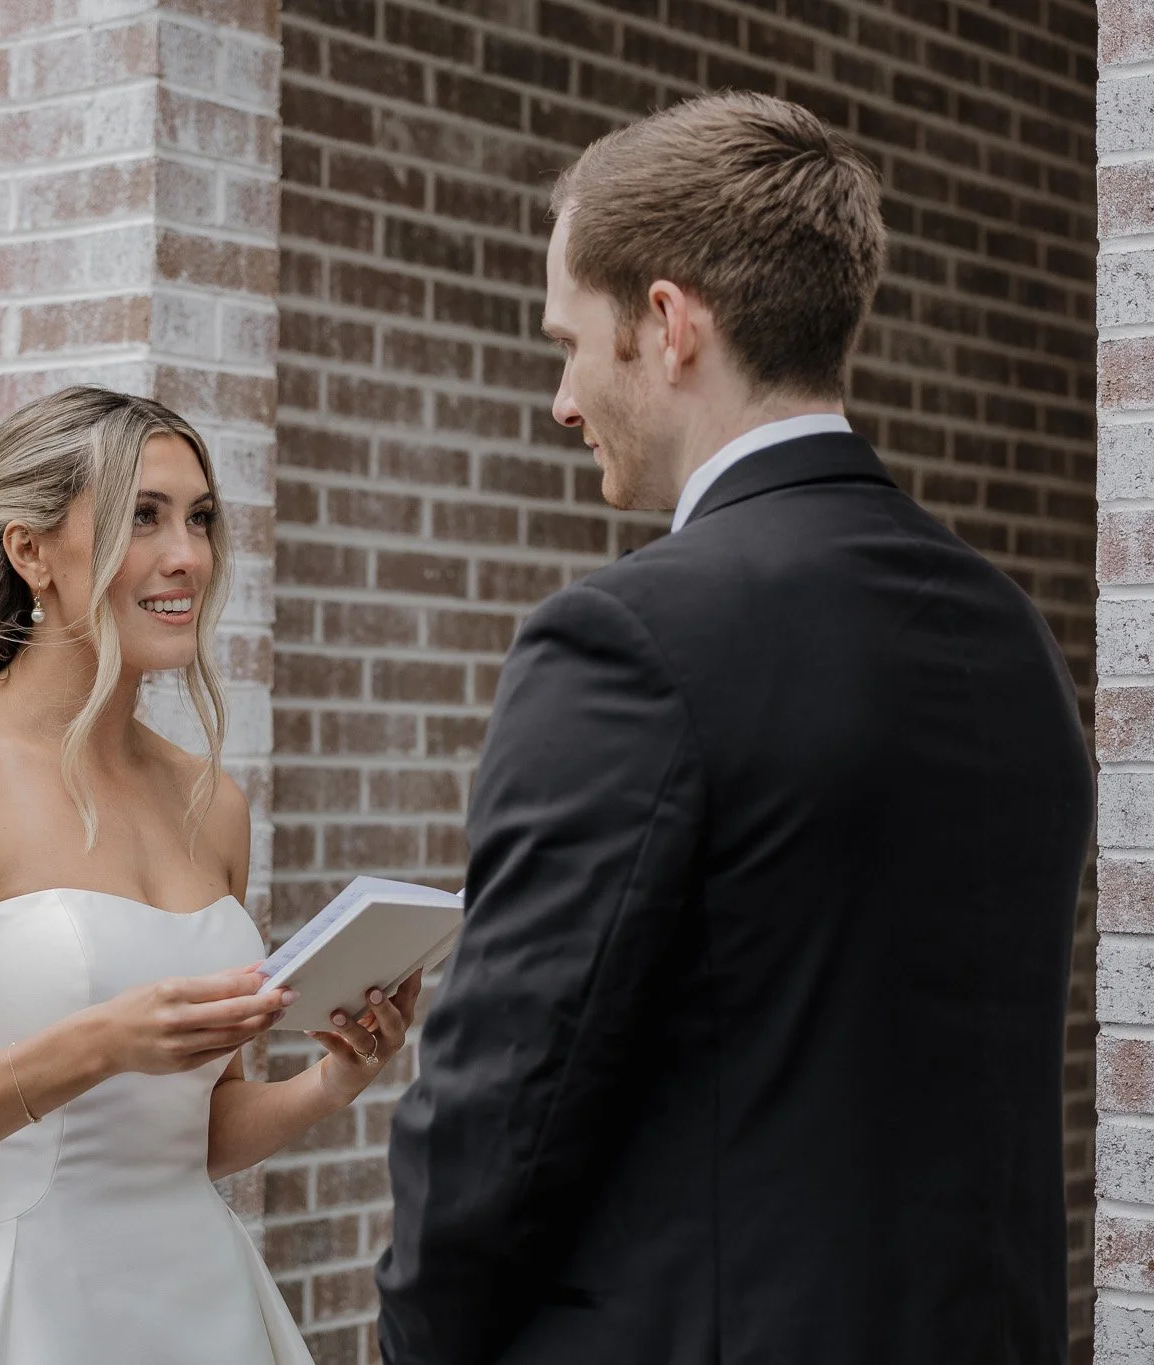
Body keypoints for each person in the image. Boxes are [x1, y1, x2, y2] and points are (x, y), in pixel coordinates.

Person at [376, 93, 1095, 1365]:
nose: (559, 397)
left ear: (665, 325)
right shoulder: (1008, 634)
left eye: (568, 341)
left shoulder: (622, 639)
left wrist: (413, 1335)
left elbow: (503, 1093)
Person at [0, 386, 421, 1365]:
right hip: (5, 1315)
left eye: (199, 518)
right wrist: (91, 1044)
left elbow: (187, 1129)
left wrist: (329, 1083)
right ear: (30, 551)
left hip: (200, 1312)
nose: (187, 556)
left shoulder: (210, 804)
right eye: (142, 516)